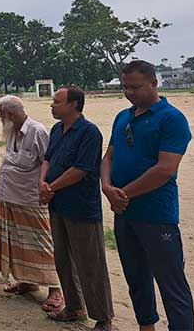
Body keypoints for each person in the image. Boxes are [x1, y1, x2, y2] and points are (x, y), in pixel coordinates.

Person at [101, 60, 194, 331]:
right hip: (124, 213)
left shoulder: (171, 118)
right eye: (125, 87)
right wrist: (107, 187)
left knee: (171, 281)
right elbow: (109, 156)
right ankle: (146, 326)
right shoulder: (123, 117)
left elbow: (165, 169)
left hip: (156, 214)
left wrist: (123, 193)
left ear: (154, 83)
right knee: (136, 277)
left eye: (136, 87)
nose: (130, 92)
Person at [40, 87, 114, 330]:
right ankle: (74, 307)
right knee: (63, 259)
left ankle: (103, 318)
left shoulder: (89, 133)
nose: (52, 105)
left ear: (73, 104)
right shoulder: (57, 129)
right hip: (58, 205)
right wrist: (43, 182)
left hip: (81, 207)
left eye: (57, 102)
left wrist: (51, 187)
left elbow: (81, 170)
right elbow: (48, 158)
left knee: (90, 262)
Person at [0, 95, 63, 312]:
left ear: (10, 114)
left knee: (43, 244)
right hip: (11, 197)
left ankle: (55, 289)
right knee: (18, 242)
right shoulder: (12, 131)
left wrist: (46, 189)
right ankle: (27, 280)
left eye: (1, 114)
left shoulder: (37, 131)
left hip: (31, 200)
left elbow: (48, 163)